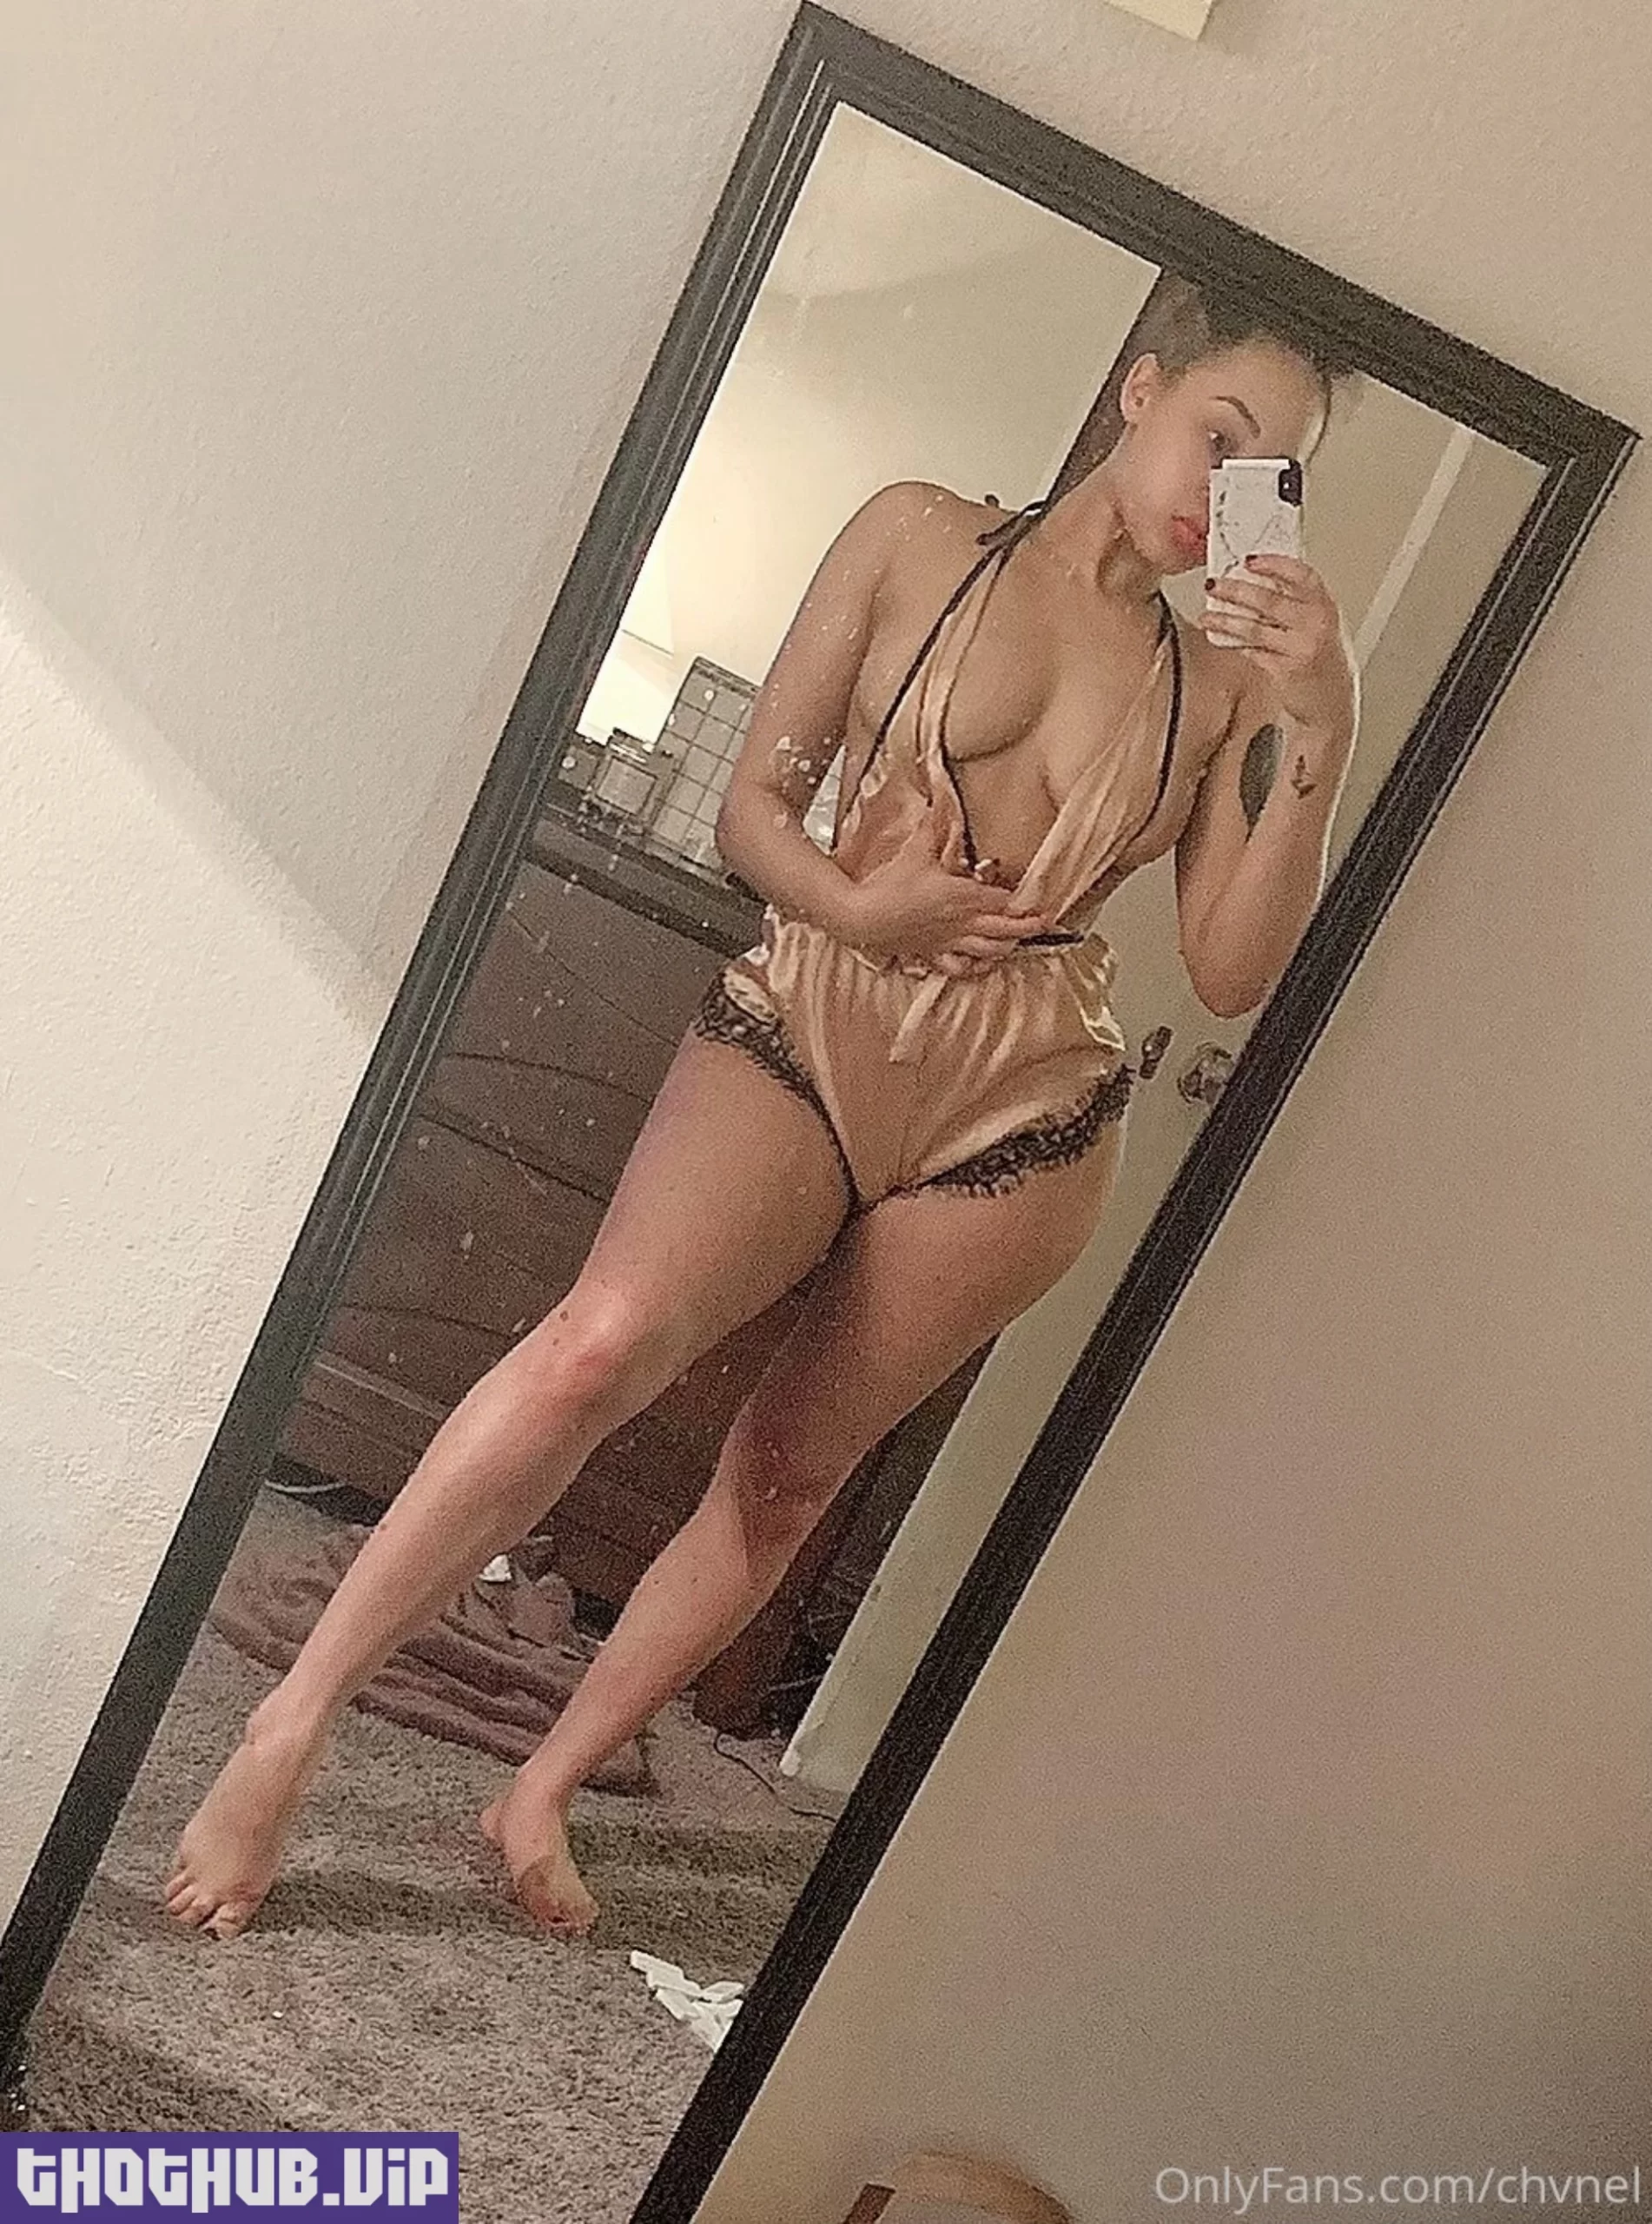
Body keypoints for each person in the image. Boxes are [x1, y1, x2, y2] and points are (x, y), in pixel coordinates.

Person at [168, 288, 1358, 1941]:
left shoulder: (1223, 692)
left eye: (1273, 476)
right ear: (1142, 389)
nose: (1226, 493)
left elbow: (1229, 970)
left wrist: (1323, 724)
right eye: (1221, 437)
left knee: (789, 1478)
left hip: (1021, 1104)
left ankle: (543, 1787)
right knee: (596, 1345)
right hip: (818, 997)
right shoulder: (915, 538)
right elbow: (753, 809)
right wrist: (861, 909)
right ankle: (290, 1725)